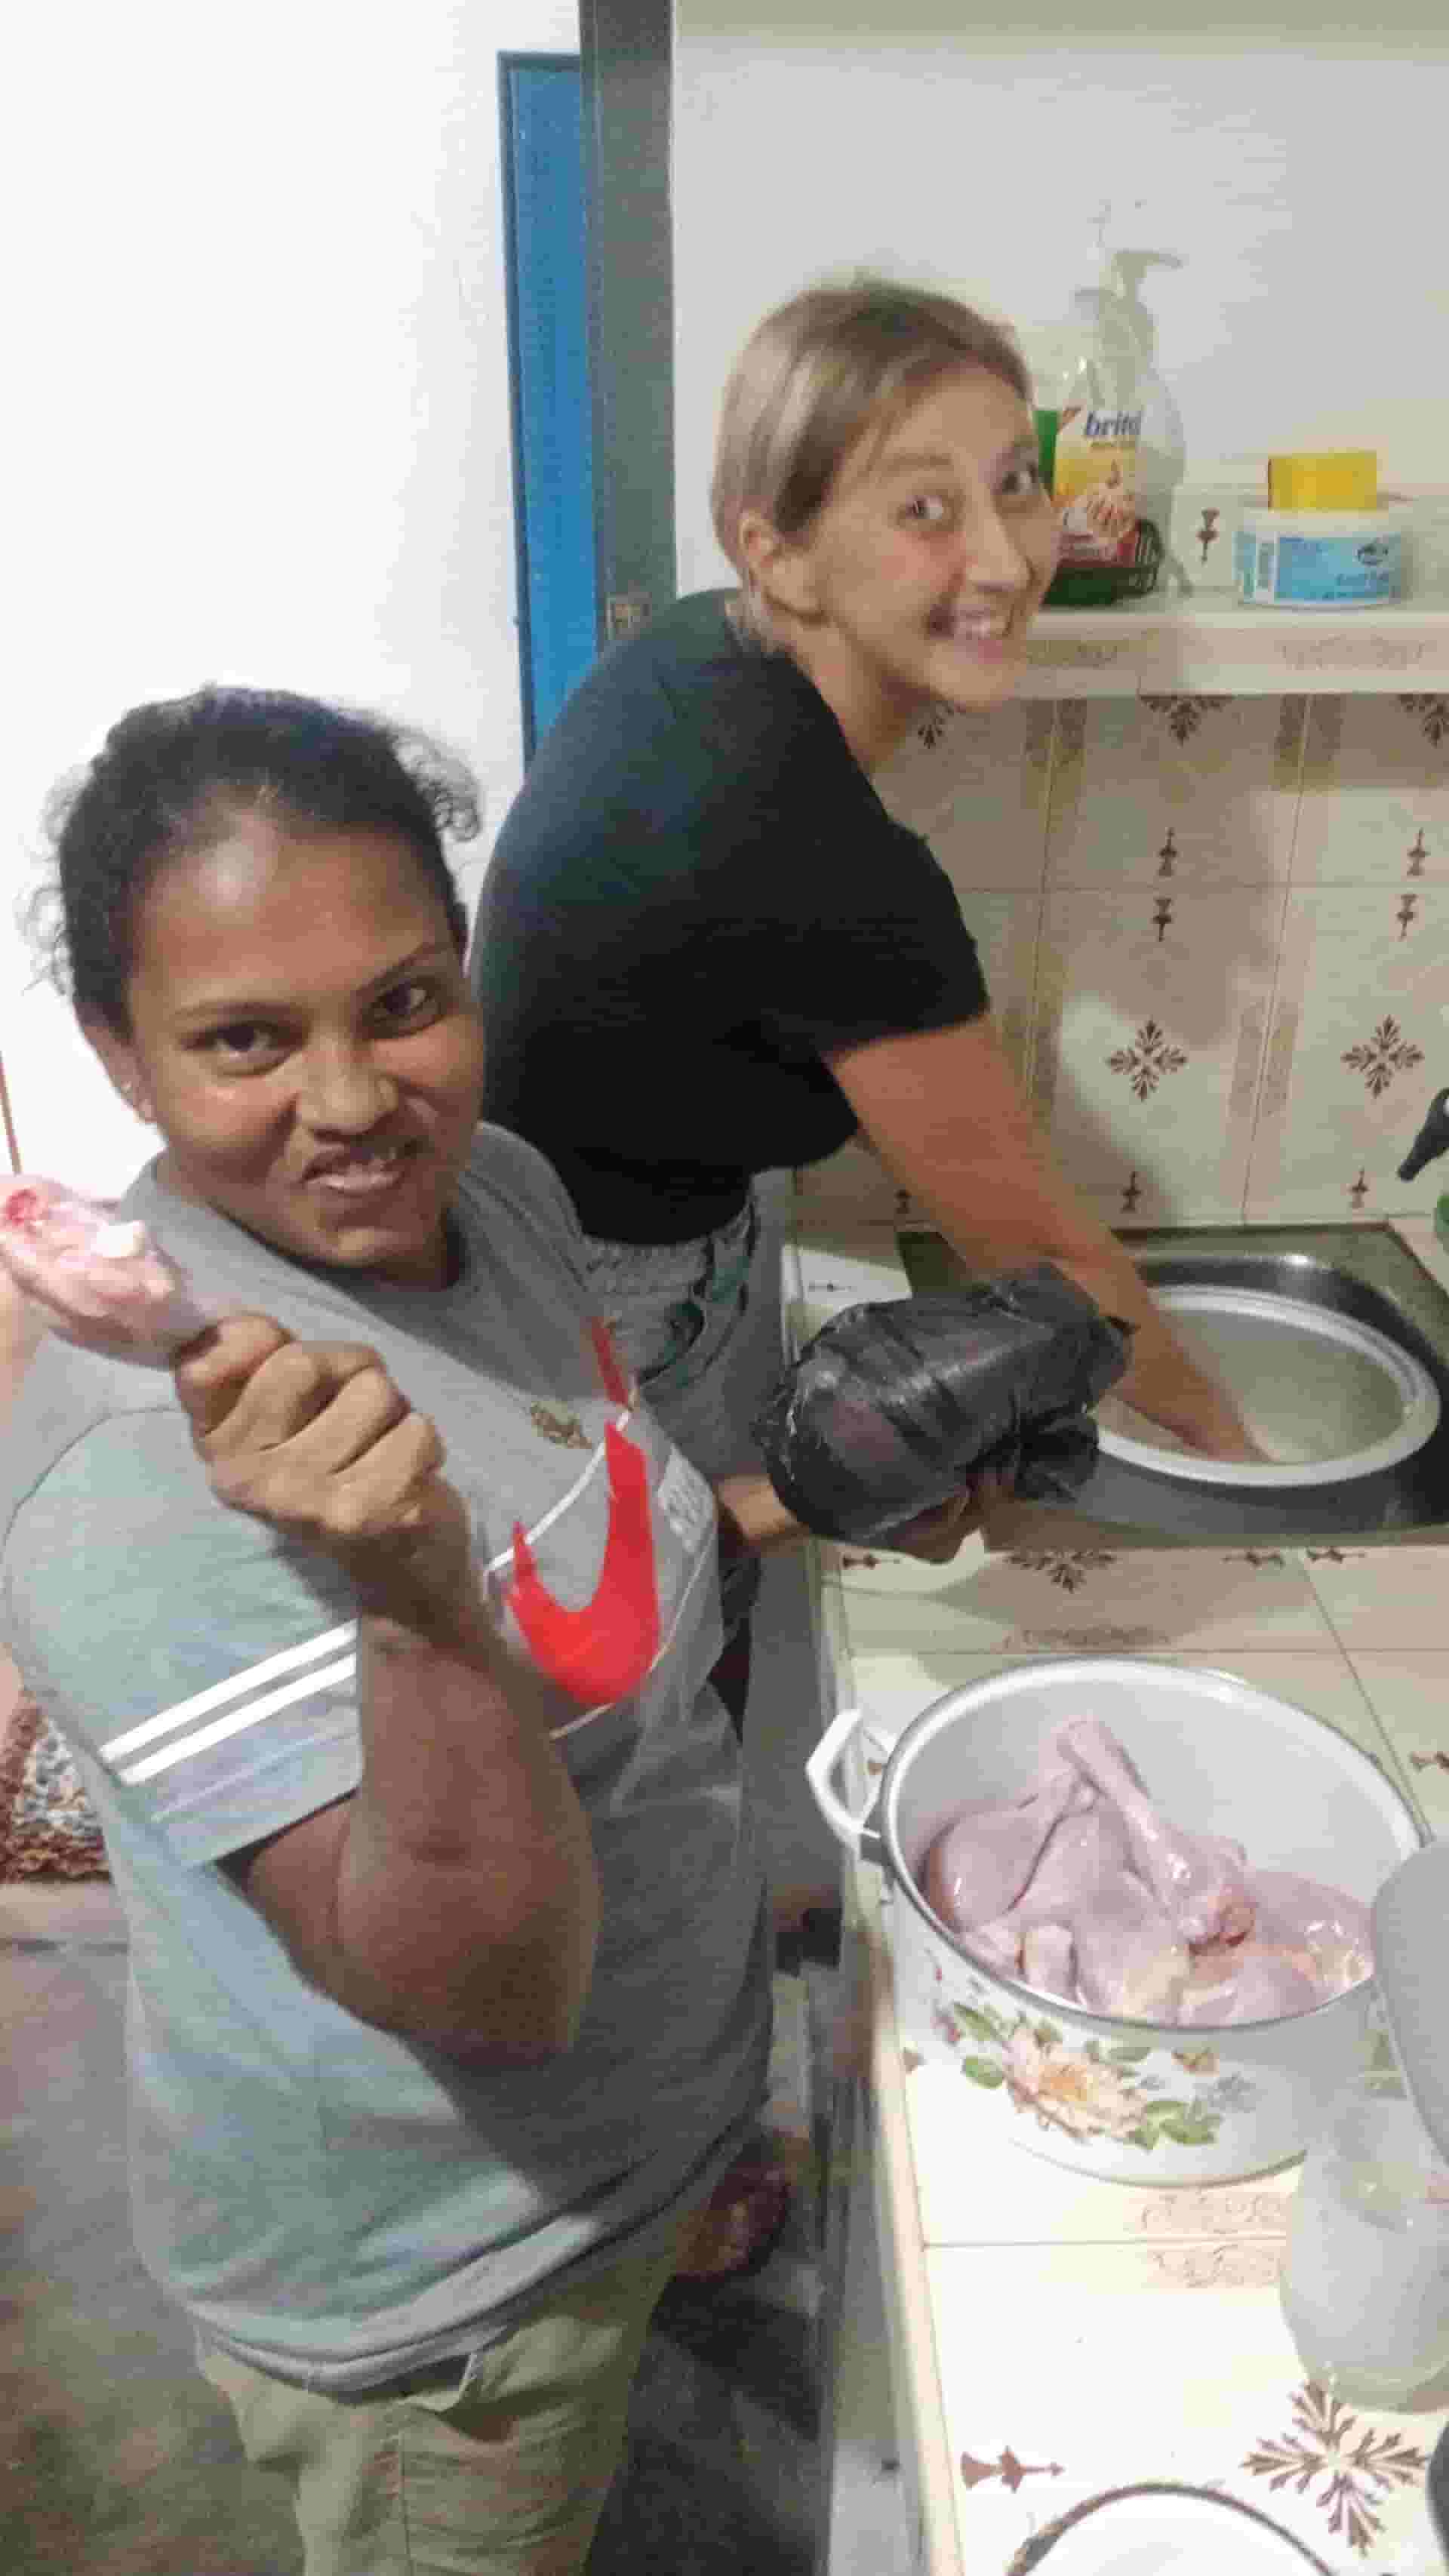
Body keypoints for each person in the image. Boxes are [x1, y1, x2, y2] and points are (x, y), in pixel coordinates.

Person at [0, 687, 979, 2576]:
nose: (357, 1101)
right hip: (449, 2276)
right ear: (123, 1064)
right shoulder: (137, 1478)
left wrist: (822, 1505)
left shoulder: (499, 1194)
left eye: (403, 1001)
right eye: (242, 1042)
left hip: (644, 2126)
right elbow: (484, 1991)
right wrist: (411, 1594)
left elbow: (605, 1541)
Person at [472, 275, 1256, 1705]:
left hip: (548, 1222)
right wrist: (1254, 1468)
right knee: (643, 1677)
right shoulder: (821, 853)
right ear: (783, 555)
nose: (1011, 560)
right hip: (612, 1287)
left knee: (665, 1608)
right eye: (924, 508)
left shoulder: (701, 653)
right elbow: (1060, 1272)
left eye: (1016, 485)